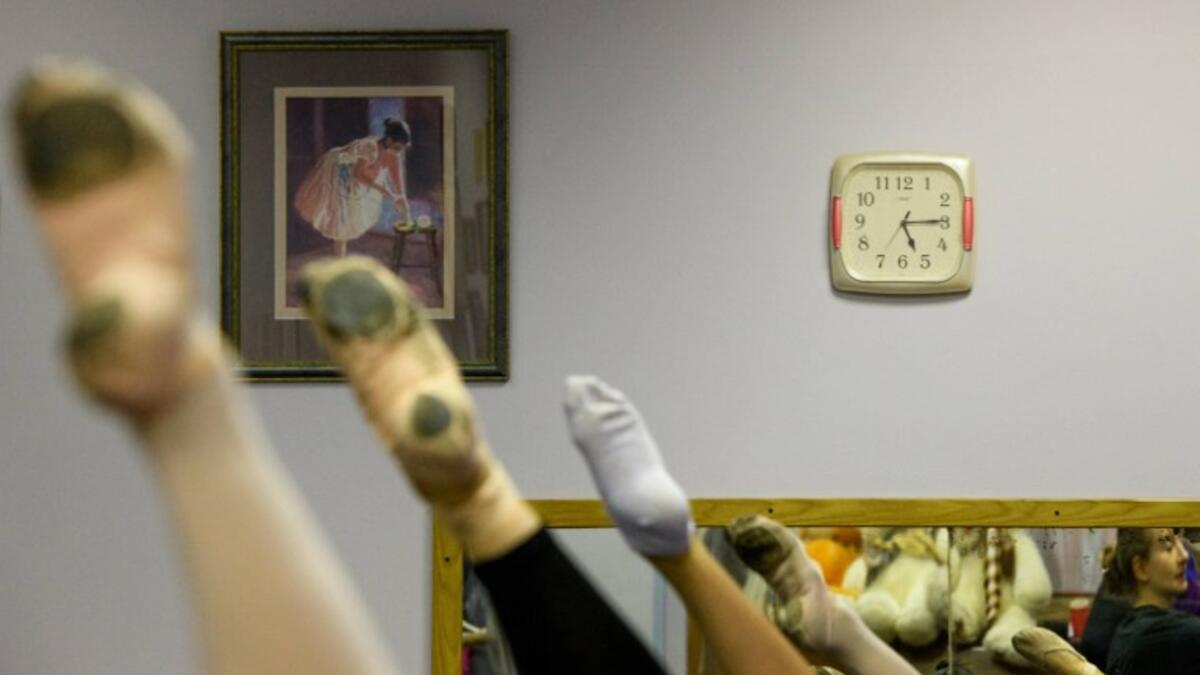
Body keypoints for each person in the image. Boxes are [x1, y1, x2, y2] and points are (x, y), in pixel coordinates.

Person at [11, 59, 403, 674]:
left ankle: (184, 400)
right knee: (339, 221)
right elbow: (361, 173)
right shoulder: (362, 148)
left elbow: (386, 182)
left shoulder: (382, 154)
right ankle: (185, 400)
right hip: (340, 185)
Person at [294, 116, 414, 257]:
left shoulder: (393, 155)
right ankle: (340, 260)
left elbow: (395, 178)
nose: (399, 151)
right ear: (389, 140)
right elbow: (359, 175)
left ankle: (341, 257)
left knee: (354, 211)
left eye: (401, 148)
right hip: (340, 170)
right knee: (342, 219)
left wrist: (401, 197)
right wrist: (385, 191)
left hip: (359, 174)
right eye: (397, 147)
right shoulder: (369, 147)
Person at [1099, 528, 1200, 674]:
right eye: (1169, 548)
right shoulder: (1161, 635)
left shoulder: (1130, 628)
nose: (1184, 555)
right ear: (1140, 568)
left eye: (1181, 543)